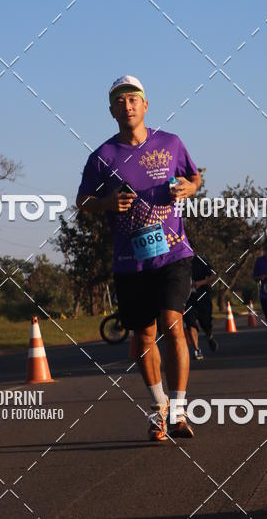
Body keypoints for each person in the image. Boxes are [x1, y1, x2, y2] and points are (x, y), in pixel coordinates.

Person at [76, 75, 201, 442]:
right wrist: (106, 202)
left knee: (171, 323)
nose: (127, 105)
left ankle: (178, 411)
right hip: (131, 261)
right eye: (120, 101)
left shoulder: (171, 143)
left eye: (133, 99)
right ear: (112, 110)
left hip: (174, 252)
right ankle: (159, 409)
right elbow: (82, 202)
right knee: (143, 337)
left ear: (145, 105)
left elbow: (195, 177)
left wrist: (190, 188)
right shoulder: (102, 157)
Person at [183, 254, 218, 360]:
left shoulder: (201, 260)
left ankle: (210, 337)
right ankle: (197, 350)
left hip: (203, 297)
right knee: (190, 323)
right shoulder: (178, 263)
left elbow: (214, 275)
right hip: (188, 300)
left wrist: (201, 282)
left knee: (206, 323)